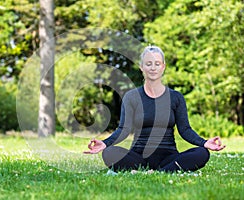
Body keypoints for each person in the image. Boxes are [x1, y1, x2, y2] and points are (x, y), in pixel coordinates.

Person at [84, 45, 225, 173]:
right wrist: (105, 143)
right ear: (141, 67)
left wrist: (204, 142)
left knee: (202, 153)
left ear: (163, 66)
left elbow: (185, 130)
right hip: (139, 157)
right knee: (109, 153)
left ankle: (161, 171)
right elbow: (123, 129)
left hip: (168, 157)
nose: (153, 68)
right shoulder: (131, 97)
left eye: (157, 64)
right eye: (148, 64)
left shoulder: (176, 97)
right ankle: (162, 171)